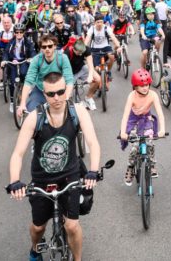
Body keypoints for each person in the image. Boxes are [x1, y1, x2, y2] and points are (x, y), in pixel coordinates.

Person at [7, 72, 101, 261]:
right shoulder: (35, 118)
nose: (56, 97)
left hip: (70, 176)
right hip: (42, 179)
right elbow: (18, 153)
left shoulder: (78, 111)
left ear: (66, 89)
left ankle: (77, 259)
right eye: (51, 94)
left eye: (60, 92)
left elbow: (93, 143)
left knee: (72, 225)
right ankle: (35, 250)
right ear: (44, 93)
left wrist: (93, 171)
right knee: (38, 227)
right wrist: (15, 181)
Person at [120, 69, 166, 185]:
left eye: (146, 85)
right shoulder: (132, 96)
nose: (145, 88)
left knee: (150, 142)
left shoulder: (153, 95)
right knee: (135, 146)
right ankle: (130, 167)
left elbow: (160, 113)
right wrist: (123, 132)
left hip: (146, 118)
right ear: (135, 87)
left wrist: (162, 129)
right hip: (133, 119)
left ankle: (152, 164)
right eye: (141, 86)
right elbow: (125, 115)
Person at [17, 34, 75, 117]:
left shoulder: (62, 58)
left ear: (55, 46)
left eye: (50, 46)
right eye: (44, 47)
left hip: (59, 91)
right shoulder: (36, 60)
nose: (47, 49)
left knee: (69, 114)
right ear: (41, 49)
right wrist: (22, 104)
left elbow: (69, 80)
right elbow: (28, 81)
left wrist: (66, 98)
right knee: (32, 112)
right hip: (41, 91)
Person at [2, 24, 37, 113]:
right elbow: (6, 52)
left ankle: (24, 87)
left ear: (24, 32)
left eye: (21, 32)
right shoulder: (11, 42)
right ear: (14, 33)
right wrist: (5, 60)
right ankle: (12, 101)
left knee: (23, 73)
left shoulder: (27, 42)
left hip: (23, 61)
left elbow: (32, 51)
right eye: (17, 32)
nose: (19, 34)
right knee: (12, 81)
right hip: (12, 62)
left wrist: (31, 58)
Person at [63, 38, 100, 111]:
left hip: (81, 68)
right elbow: (64, 69)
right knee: (67, 95)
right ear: (73, 49)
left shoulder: (86, 49)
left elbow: (90, 64)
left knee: (98, 79)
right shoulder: (67, 52)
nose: (81, 54)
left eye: (82, 52)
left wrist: (90, 76)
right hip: (70, 73)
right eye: (79, 52)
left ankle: (88, 98)